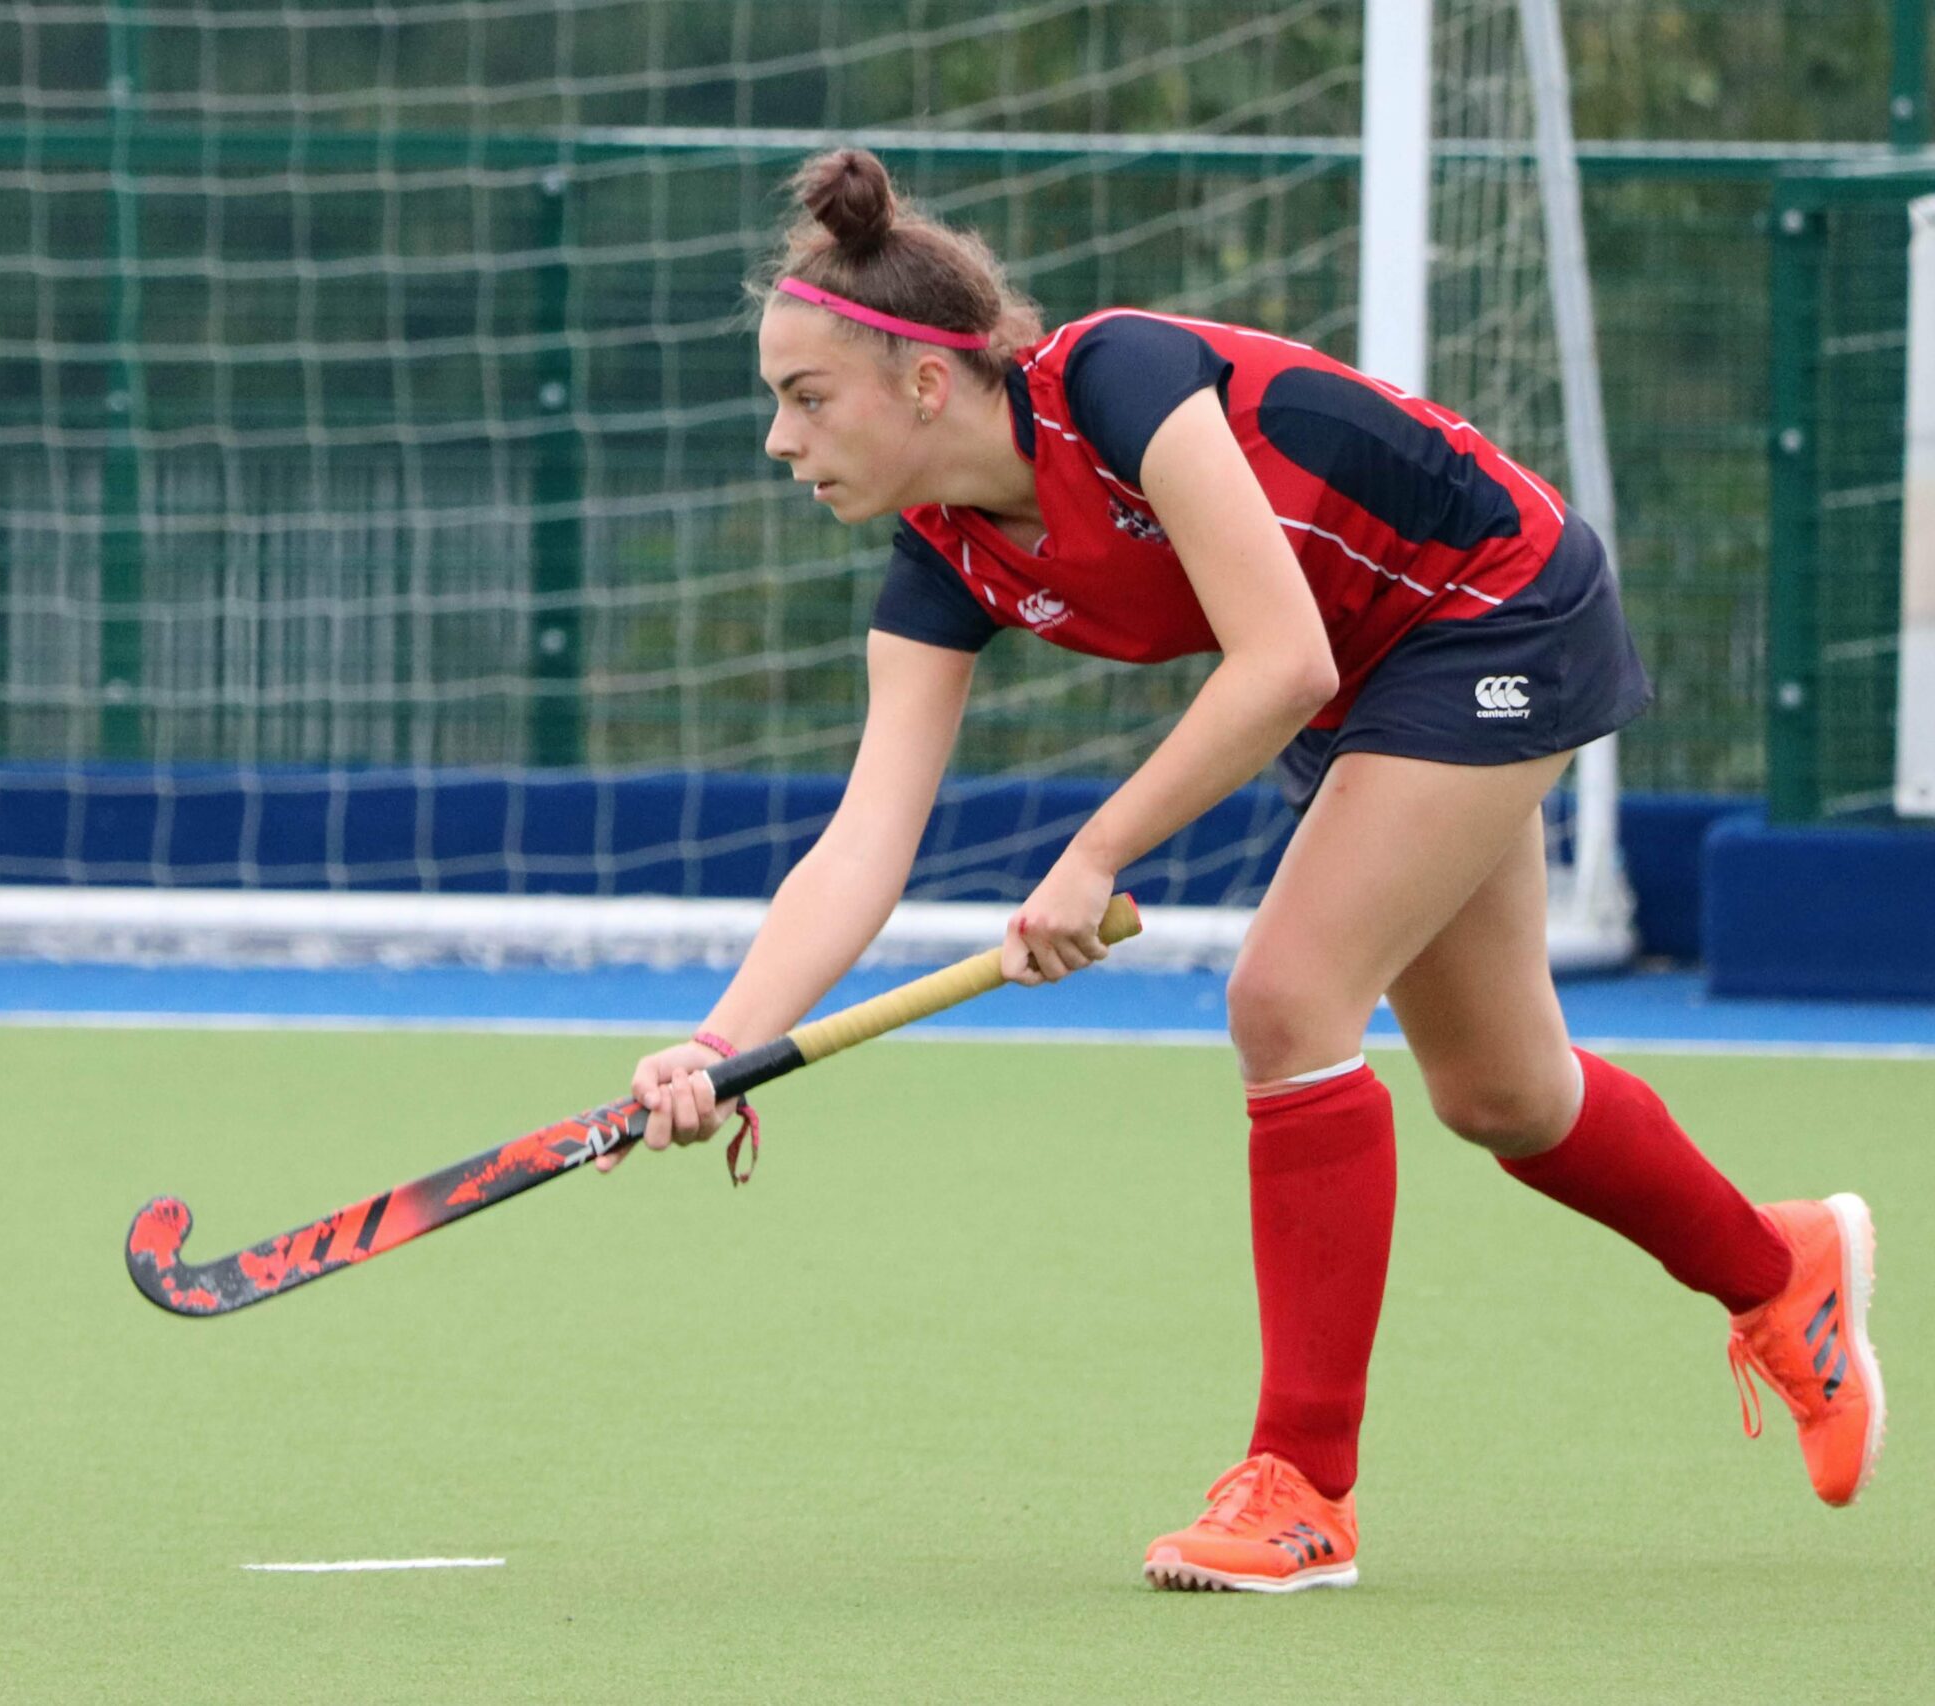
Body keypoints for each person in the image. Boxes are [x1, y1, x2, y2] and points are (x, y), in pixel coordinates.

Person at [597, 147, 1884, 1592]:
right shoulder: (943, 557)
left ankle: (1303, 1488)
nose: (781, 440)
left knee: (1286, 998)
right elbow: (863, 839)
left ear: (926, 383)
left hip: (1493, 606)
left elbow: (1280, 661)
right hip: (1370, 674)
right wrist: (720, 1041)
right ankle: (1780, 1270)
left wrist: (1094, 854)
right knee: (1504, 1093)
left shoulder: (1119, 382)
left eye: (805, 396)